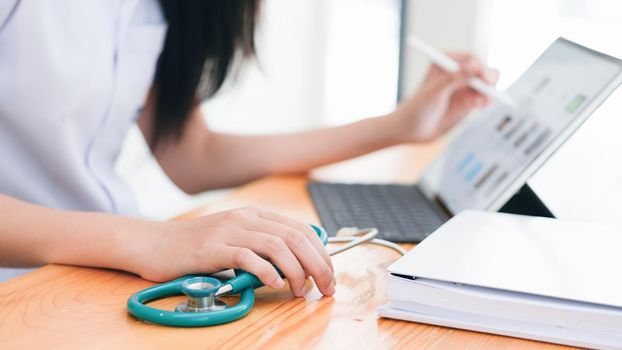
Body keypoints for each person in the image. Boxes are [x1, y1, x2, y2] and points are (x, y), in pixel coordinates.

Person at [0, 0, 498, 297]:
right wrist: (149, 240)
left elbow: (193, 155)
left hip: (96, 277)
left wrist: (400, 125)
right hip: (23, 289)